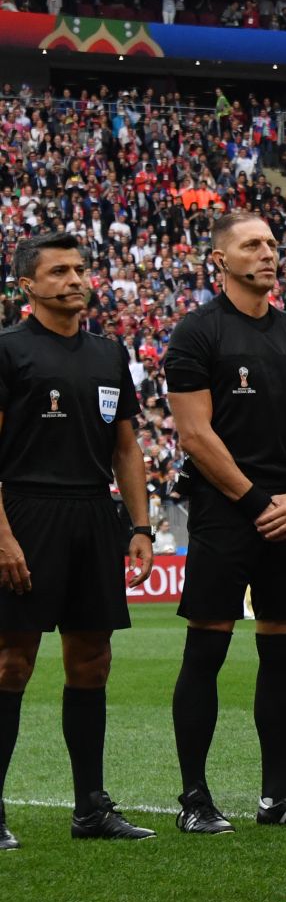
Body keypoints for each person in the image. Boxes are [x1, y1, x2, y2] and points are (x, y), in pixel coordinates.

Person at [166, 211, 286, 833]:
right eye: (251, 245)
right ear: (221, 259)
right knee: (207, 644)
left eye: (270, 243)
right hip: (226, 509)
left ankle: (276, 796)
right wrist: (254, 500)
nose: (267, 253)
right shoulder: (197, 332)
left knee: (284, 644)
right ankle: (194, 798)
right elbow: (194, 432)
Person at [0, 231, 157, 850]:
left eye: (81, 269)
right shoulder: (8, 350)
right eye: (59, 271)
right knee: (12, 661)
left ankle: (91, 808)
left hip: (94, 512)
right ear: (27, 285)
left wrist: (139, 526)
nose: (75, 279)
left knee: (92, 660)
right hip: (25, 509)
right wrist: (4, 534)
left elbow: (125, 446)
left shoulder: (109, 353)